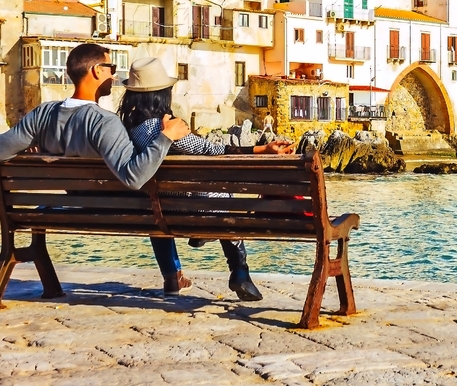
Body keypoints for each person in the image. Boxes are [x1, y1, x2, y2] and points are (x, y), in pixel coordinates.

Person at [118, 57, 293, 298]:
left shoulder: (128, 130)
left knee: (161, 208)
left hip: (158, 211)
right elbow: (212, 150)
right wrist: (261, 149)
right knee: (224, 198)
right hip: (201, 209)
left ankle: (172, 277)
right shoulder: (168, 129)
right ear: (162, 95)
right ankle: (239, 271)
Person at [0, 43, 190, 188]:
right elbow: (134, 178)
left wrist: (23, 149)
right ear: (97, 70)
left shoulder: (42, 113)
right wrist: (166, 137)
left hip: (59, 207)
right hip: (102, 209)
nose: (114, 76)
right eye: (112, 68)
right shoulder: (105, 122)